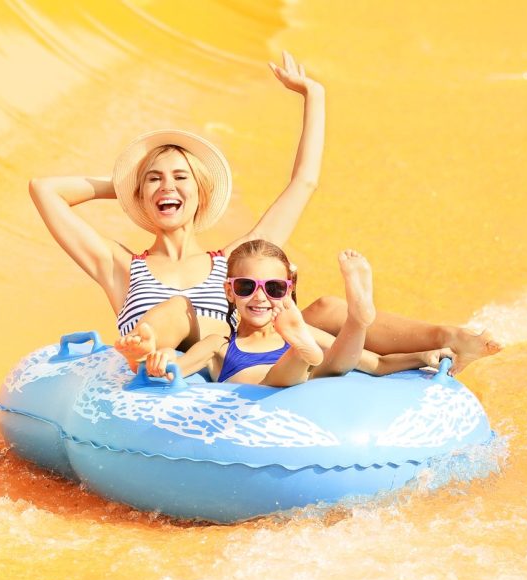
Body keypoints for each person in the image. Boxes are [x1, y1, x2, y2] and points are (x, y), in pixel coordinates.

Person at [28, 53, 499, 374]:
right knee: (180, 306)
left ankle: (447, 337)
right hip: (160, 363)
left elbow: (303, 183)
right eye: (155, 179)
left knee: (329, 308)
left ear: (201, 192)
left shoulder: (231, 262)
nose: (166, 187)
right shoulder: (120, 266)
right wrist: (128, 183)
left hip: (230, 359)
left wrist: (314, 94)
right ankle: (149, 346)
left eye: (180, 178)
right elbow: (45, 190)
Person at [142, 240, 456, 387]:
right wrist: (162, 361)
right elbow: (180, 366)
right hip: (270, 385)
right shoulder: (218, 345)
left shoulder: (299, 333)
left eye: (274, 288)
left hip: (308, 368)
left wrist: (422, 356)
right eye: (246, 286)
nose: (260, 297)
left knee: (330, 362)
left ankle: (358, 320)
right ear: (229, 291)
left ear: (288, 290)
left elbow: (377, 364)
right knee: (297, 365)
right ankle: (311, 350)